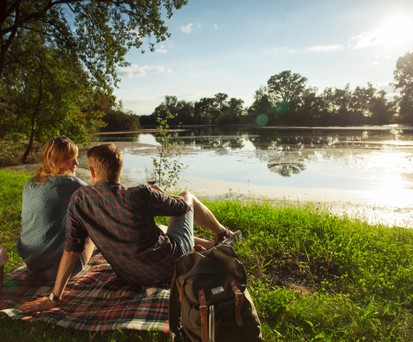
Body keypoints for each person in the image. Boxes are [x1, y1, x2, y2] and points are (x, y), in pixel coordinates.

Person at [21, 143, 237, 312]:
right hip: (171, 264)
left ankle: (212, 242)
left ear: (94, 172)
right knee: (187, 196)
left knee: (155, 229)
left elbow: (71, 249)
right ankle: (223, 234)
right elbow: (183, 208)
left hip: (129, 275)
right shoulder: (140, 194)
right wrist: (161, 195)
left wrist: (54, 297)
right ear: (120, 170)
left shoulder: (79, 200)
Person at [17, 136, 95, 281]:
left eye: (76, 158)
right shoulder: (71, 184)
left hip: (32, 265)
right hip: (59, 270)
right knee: (90, 224)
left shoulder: (30, 183)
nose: (76, 163)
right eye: (70, 159)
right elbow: (101, 199)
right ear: (56, 161)